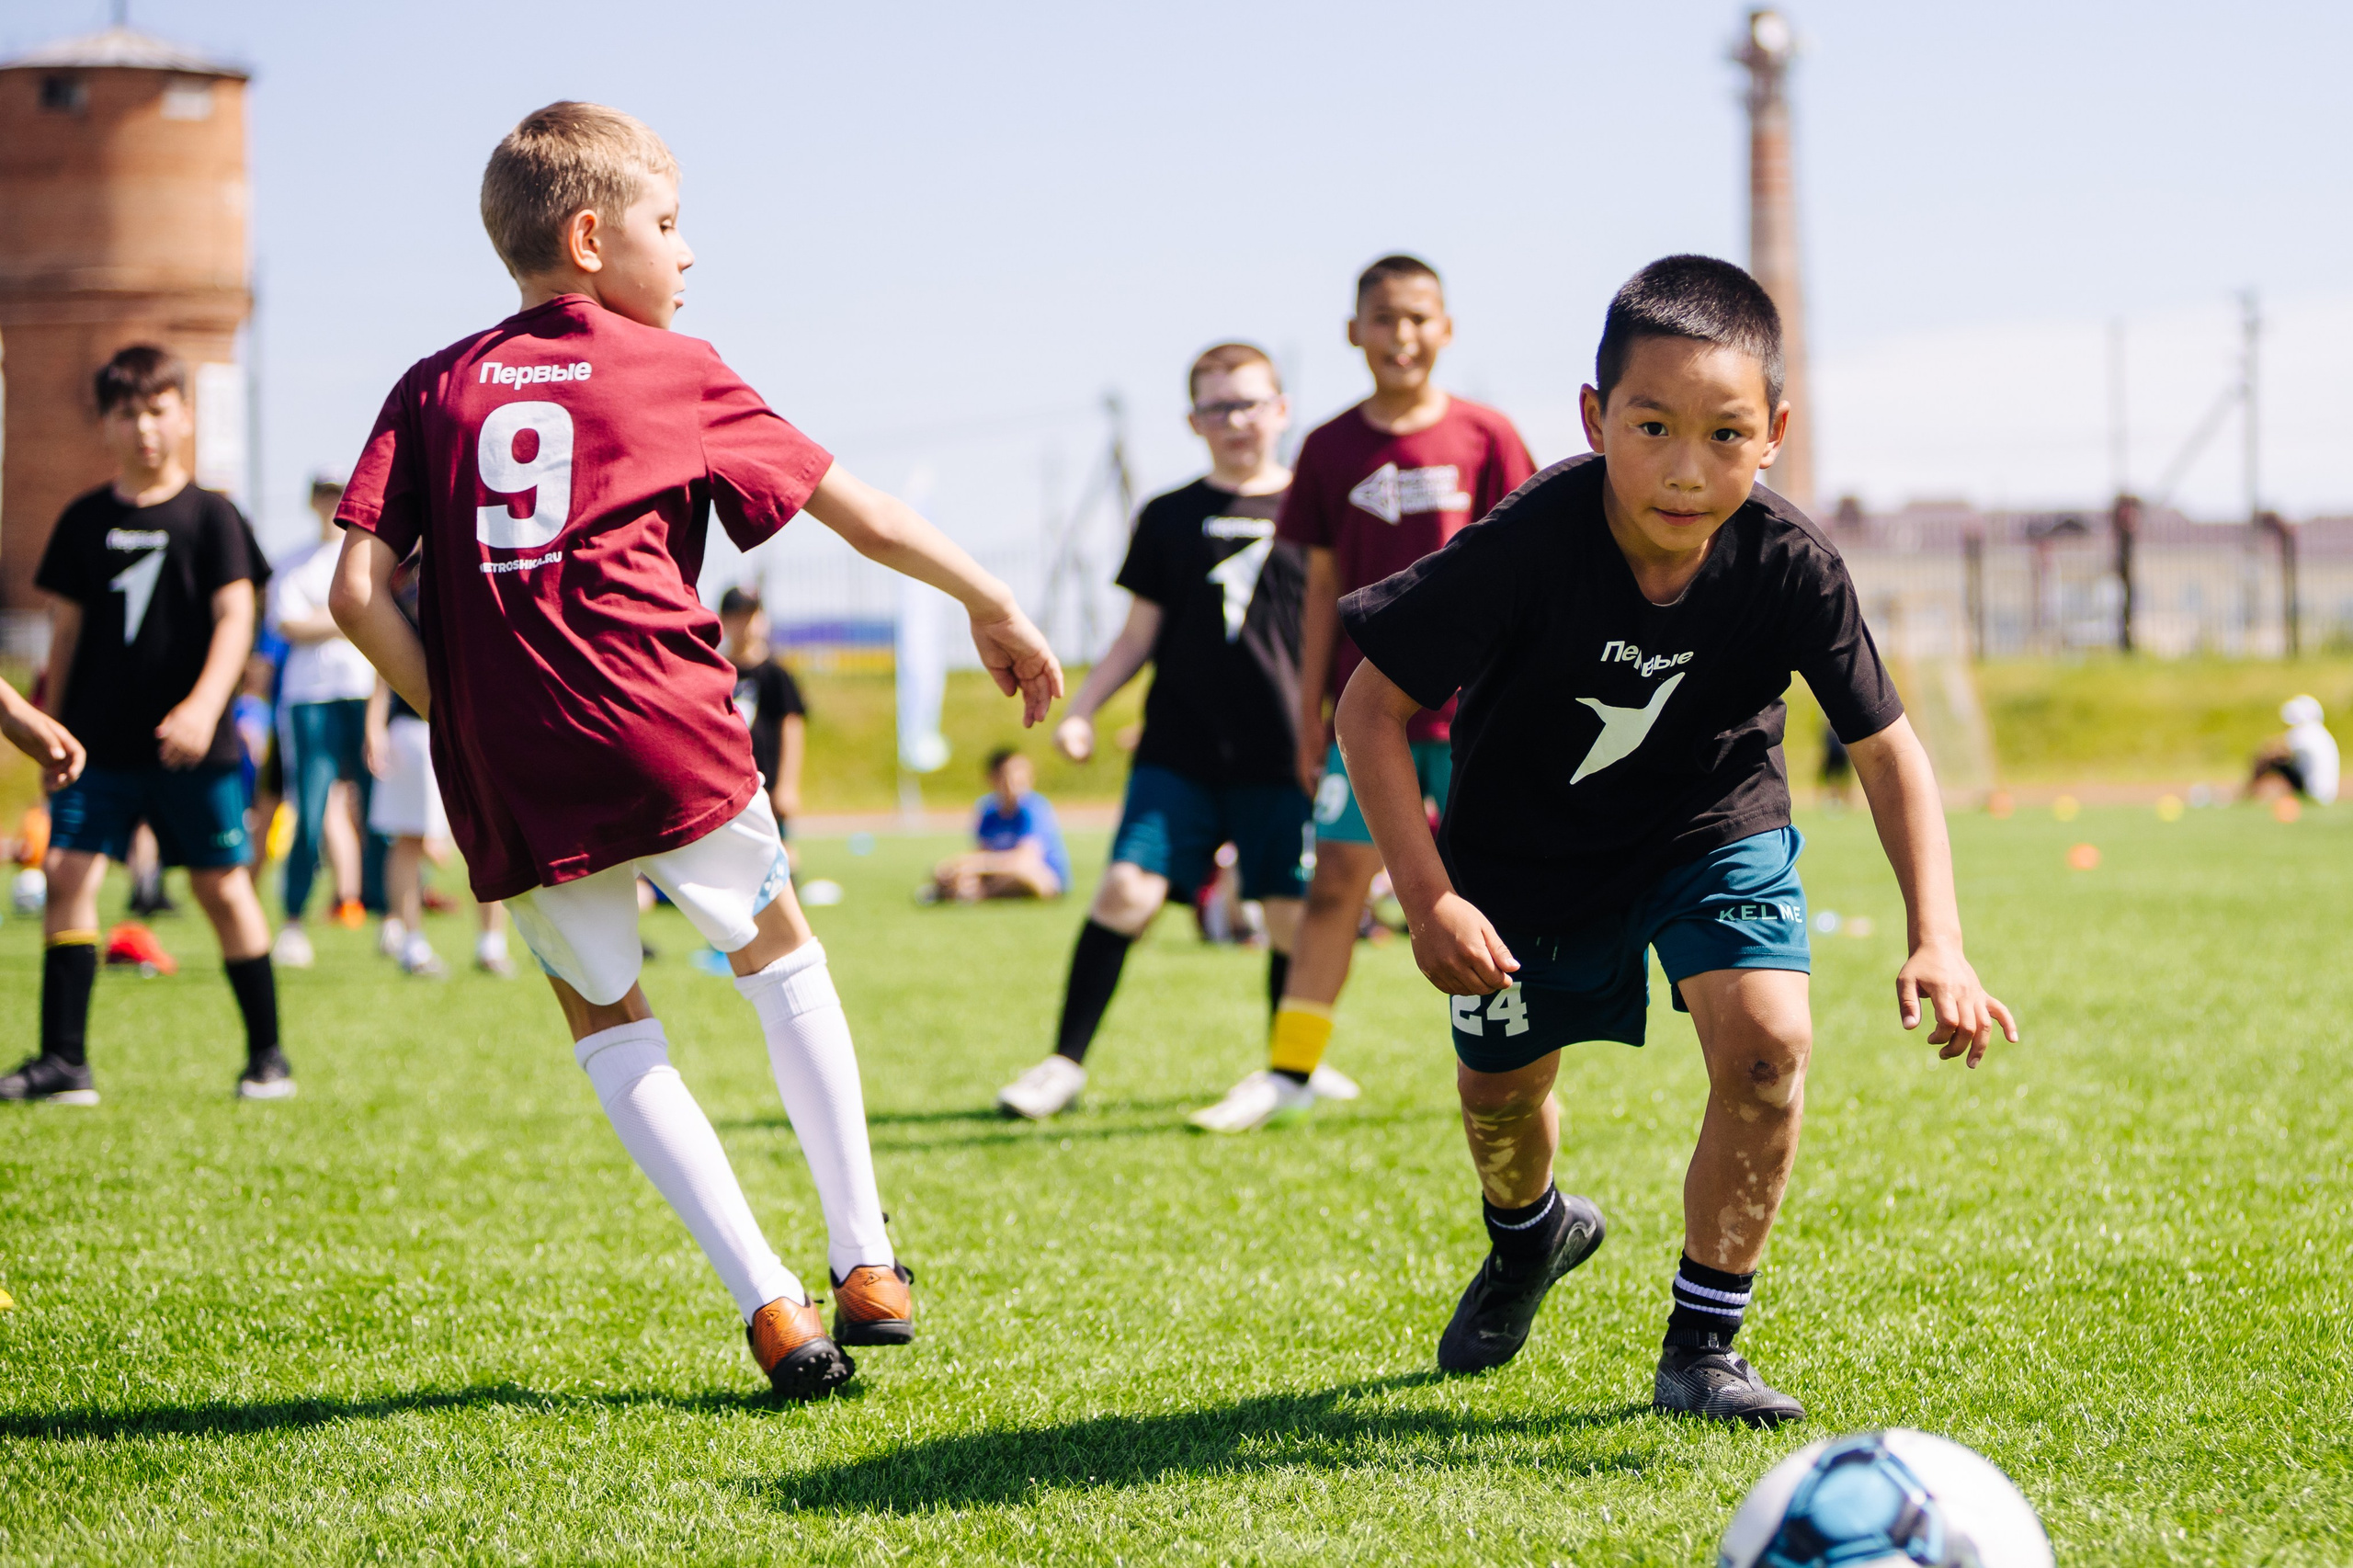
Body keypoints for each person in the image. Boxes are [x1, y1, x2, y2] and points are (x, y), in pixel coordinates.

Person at [328, 102, 1062, 1400]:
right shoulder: (675, 367)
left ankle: (770, 1306)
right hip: (665, 723)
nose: (690, 254)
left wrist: (459, 710)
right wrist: (988, 601)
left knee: (613, 1022)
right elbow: (867, 513)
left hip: (515, 763)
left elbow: (349, 593)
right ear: (595, 236)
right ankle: (868, 1256)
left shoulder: (434, 384)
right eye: (672, 226)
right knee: (780, 959)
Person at [1332, 255, 2018, 1424]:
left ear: (1774, 434)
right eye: (1652, 427)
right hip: (1523, 855)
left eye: (1724, 433)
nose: (1686, 469)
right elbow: (1369, 708)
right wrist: (1430, 893)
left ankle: (1704, 1344)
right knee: (1500, 1097)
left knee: (1767, 1045)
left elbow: (1889, 749)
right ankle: (1528, 1236)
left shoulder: (1791, 562)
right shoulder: (1527, 542)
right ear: (1596, 418)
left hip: (1711, 828)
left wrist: (1938, 937)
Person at [1191, 256, 1535, 1133]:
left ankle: (1512, 1050)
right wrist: (1313, 708)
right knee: (1339, 877)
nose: (1403, 335)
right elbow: (1318, 589)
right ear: (1355, 332)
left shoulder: (1487, 438)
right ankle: (1292, 1068)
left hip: (1479, 714)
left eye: (1420, 317)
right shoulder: (1329, 447)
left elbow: (1533, 575)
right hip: (1368, 714)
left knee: (1493, 881)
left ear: (1446, 329)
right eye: (1384, 318)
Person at [995, 342, 1326, 1119]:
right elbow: (1136, 636)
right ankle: (1062, 1065)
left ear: (1280, 410)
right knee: (1125, 892)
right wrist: (1082, 710)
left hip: (1284, 755)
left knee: (1286, 915)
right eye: (1217, 406)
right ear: (1193, 421)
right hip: (1177, 750)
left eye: (1249, 402)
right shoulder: (1168, 516)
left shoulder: (1315, 514)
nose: (1236, 420)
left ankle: (1291, 1072)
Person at [2, 345, 293, 1106]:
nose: (145, 428)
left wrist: (203, 708)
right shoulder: (83, 520)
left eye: (159, 409)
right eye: (128, 412)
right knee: (67, 876)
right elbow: (63, 636)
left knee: (222, 888)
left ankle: (268, 1057)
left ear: (186, 417)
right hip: (96, 745)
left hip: (192, 750)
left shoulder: (214, 516)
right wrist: (46, 727)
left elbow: (238, 619)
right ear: (106, 423)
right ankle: (64, 1063)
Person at [268, 476, 385, 967]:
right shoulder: (292, 562)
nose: (331, 501)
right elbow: (288, 625)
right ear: (311, 499)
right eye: (323, 491)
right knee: (310, 813)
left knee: (379, 815)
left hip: (361, 697)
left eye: (339, 491)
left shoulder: (370, 559)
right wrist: (350, 616)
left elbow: (382, 620)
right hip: (308, 700)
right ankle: (293, 920)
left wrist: (330, 617)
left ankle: (391, 919)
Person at [718, 586, 808, 859]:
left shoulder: (776, 673)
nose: (745, 624)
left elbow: (792, 727)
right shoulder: (717, 670)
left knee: (775, 856)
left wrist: (789, 784)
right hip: (726, 785)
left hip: (766, 783)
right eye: (737, 616)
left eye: (751, 615)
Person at [925, 748, 1070, 903]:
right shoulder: (988, 811)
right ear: (993, 778)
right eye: (1009, 774)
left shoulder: (1034, 809)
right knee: (958, 875)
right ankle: (962, 892)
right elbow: (983, 851)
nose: (1017, 779)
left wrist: (976, 864)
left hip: (1042, 875)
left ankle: (975, 895)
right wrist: (958, 867)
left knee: (1022, 874)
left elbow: (1025, 859)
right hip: (1002, 873)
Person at [2246, 695, 2337, 805]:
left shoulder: (2304, 732)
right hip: (2326, 793)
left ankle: (2247, 794)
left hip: (2315, 793)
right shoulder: (2319, 732)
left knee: (2271, 760)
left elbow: (2274, 750)